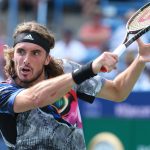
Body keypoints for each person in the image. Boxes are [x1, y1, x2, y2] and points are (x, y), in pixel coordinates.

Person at [0, 21, 150, 150]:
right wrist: (88, 69)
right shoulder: (4, 92)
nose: (26, 60)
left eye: (35, 53)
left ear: (47, 59)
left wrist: (140, 60)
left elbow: (118, 91)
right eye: (21, 52)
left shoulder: (66, 71)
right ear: (13, 55)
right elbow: (36, 97)